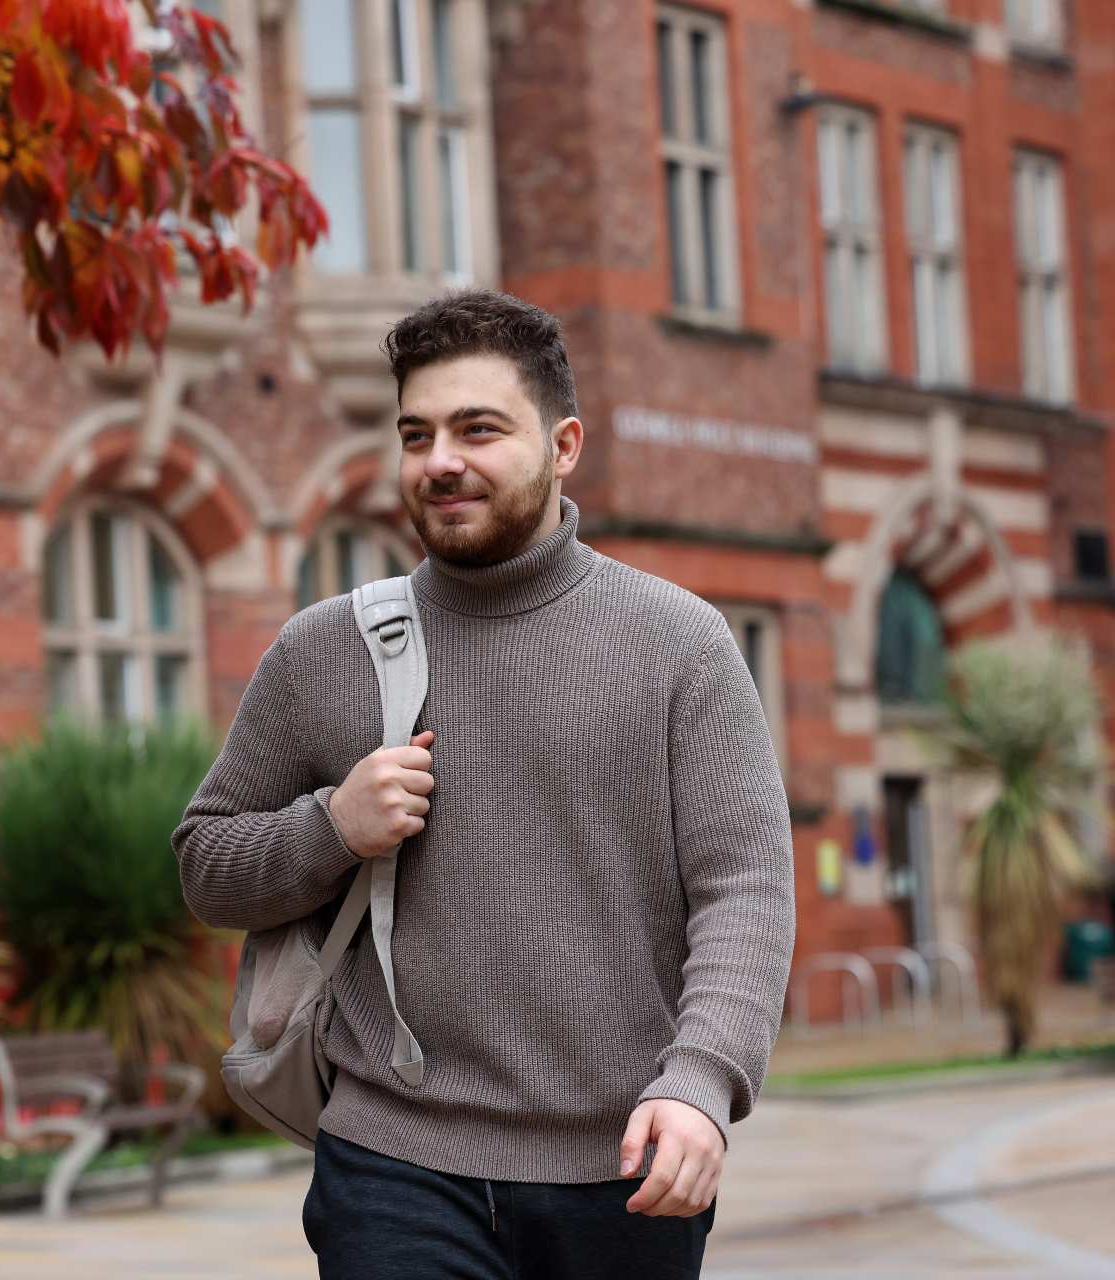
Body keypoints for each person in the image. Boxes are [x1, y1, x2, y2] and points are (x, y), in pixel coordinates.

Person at [172, 289, 796, 1279]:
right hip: (393, 1160)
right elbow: (205, 864)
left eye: (478, 429)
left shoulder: (678, 643)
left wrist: (702, 1080)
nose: (440, 460)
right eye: (416, 434)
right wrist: (331, 827)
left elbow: (744, 888)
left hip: (626, 1163)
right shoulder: (324, 649)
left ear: (564, 445)